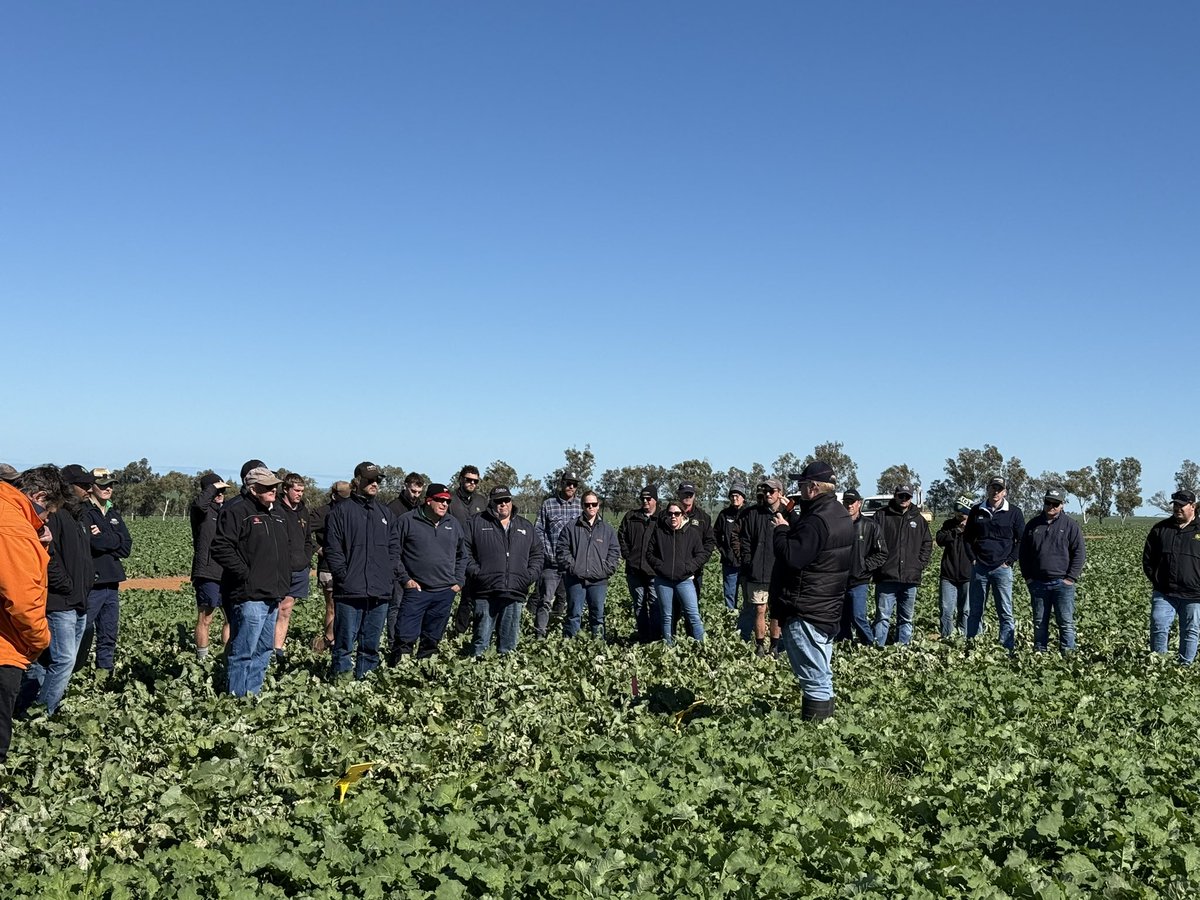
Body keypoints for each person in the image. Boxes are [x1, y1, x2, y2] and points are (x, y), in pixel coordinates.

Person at [769, 461, 854, 722]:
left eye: (803, 484)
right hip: (827, 605)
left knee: (814, 679)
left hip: (807, 607)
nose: (800, 488)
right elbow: (814, 545)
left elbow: (793, 556)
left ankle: (816, 734)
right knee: (821, 673)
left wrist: (781, 530)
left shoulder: (816, 520)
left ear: (813, 488)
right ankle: (825, 728)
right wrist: (794, 516)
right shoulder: (839, 514)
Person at [16, 465, 94, 717]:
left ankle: (25, 708)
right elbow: (47, 556)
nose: (89, 489)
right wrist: (67, 586)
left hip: (78, 601)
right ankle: (43, 714)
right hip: (61, 602)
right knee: (64, 661)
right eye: (84, 485)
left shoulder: (78, 516)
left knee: (47, 662)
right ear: (68, 487)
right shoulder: (55, 515)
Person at [209, 467, 291, 696]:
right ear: (253, 489)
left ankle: (253, 696)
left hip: (273, 594)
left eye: (274, 486)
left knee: (264, 650)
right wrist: (246, 574)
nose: (273, 490)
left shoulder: (278, 513)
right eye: (267, 487)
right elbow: (221, 547)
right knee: (243, 651)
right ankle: (237, 698)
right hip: (249, 595)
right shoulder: (237, 510)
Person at [0, 466, 61, 762]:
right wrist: (40, 641)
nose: (45, 520)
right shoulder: (13, 526)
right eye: (48, 513)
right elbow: (22, 600)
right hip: (4, 649)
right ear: (39, 497)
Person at [323, 462, 399, 679]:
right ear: (357, 481)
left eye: (377, 480)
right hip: (350, 590)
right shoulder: (340, 512)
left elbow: (394, 548)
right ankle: (342, 682)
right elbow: (333, 549)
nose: (374, 484)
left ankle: (365, 683)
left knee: (371, 645)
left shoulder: (385, 514)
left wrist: (388, 573)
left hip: (379, 590)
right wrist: (344, 576)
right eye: (369, 480)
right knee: (344, 644)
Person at [390, 484, 467, 661]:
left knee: (432, 639)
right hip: (416, 590)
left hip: (444, 592)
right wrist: (405, 579)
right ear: (428, 501)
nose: (444, 504)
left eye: (447, 501)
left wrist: (458, 582)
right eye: (440, 500)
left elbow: (463, 555)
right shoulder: (407, 521)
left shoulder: (453, 524)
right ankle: (399, 672)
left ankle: (425, 669)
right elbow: (393, 553)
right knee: (405, 637)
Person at [466, 486, 543, 657]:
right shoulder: (476, 522)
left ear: (511, 501)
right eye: (498, 501)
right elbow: (465, 551)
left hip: (514, 591)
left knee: (508, 645)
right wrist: (477, 573)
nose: (503, 504)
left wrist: (528, 576)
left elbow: (537, 554)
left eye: (506, 500)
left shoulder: (525, 526)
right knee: (480, 642)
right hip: (485, 591)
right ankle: (477, 669)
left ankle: (504, 670)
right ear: (491, 502)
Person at [75, 467, 132, 677]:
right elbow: (92, 543)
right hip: (93, 583)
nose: (108, 489)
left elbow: (126, 547)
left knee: (108, 633)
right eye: (103, 485)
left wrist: (105, 537)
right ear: (91, 487)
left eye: (110, 485)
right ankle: (73, 671)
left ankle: (104, 674)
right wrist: (114, 539)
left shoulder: (113, 513)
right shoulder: (83, 512)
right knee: (83, 630)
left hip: (112, 582)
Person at [1019, 487, 1085, 654]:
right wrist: (1028, 578)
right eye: (1048, 502)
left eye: (1055, 504)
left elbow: (1079, 553)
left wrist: (1070, 578)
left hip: (1062, 584)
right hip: (1038, 583)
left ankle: (1068, 656)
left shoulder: (1070, 525)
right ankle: (1039, 654)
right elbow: (1023, 553)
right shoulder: (1033, 525)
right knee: (1039, 623)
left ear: (1062, 505)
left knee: (1066, 622)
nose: (1051, 506)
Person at [964, 476, 1025, 649]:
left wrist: (1009, 561)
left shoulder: (1014, 512)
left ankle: (1007, 648)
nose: (995, 492)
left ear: (1004, 492)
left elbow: (1021, 540)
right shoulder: (977, 510)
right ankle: (972, 648)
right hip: (980, 568)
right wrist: (973, 559)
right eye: (993, 488)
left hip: (1002, 569)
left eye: (999, 489)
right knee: (975, 611)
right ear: (988, 489)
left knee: (1005, 612)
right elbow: (967, 538)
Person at [871, 485, 932, 647]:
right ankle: (877, 649)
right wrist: (878, 565)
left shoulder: (918, 520)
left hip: (910, 577)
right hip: (886, 576)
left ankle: (902, 650)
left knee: (906, 618)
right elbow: (871, 541)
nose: (904, 499)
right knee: (882, 617)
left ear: (911, 498)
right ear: (895, 495)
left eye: (907, 496)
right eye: (901, 496)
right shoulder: (881, 516)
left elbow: (927, 543)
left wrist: (920, 564)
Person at [1143, 489, 1200, 663]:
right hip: (1165, 592)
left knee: (1190, 630)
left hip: (1195, 594)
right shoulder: (1160, 529)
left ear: (1193, 506)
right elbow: (1148, 559)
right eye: (1175, 505)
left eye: (1181, 505)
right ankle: (1158, 664)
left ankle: (1185, 666)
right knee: (1158, 625)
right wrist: (1158, 580)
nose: (1177, 508)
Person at [737, 478, 792, 654]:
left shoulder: (787, 514)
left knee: (777, 611)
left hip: (780, 572)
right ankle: (760, 645)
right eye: (765, 491)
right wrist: (748, 562)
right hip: (757, 571)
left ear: (780, 494)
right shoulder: (753, 513)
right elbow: (745, 540)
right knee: (760, 609)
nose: (768, 494)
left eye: (772, 491)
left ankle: (774, 646)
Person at [556, 491, 620, 639]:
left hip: (599, 581)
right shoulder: (571, 527)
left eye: (594, 504)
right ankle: (571, 645)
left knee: (598, 615)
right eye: (587, 504)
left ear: (598, 506)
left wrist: (605, 570)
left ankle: (598, 645)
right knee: (574, 614)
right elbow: (562, 550)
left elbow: (614, 552)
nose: (591, 507)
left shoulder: (607, 530)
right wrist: (574, 568)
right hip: (575, 580)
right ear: (582, 506)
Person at [647, 499, 709, 645]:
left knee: (693, 615)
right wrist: (661, 567)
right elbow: (649, 554)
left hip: (685, 581)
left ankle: (702, 647)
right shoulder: (659, 533)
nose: (673, 516)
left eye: (676, 513)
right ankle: (668, 648)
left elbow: (701, 555)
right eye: (670, 514)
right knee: (667, 616)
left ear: (683, 515)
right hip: (663, 581)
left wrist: (688, 568)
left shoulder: (692, 533)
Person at [532, 471, 582, 638]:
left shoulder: (581, 506)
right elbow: (539, 529)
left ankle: (565, 634)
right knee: (545, 600)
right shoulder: (549, 504)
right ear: (562, 483)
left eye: (574, 484)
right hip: (551, 564)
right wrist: (548, 552)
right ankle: (540, 634)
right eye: (568, 483)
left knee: (570, 601)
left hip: (573, 565)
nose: (571, 487)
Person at [189, 473, 231, 658]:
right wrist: (212, 488)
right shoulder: (201, 512)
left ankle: (226, 656)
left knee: (231, 618)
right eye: (216, 491)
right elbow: (199, 504)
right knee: (206, 617)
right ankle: (202, 658)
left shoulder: (227, 511)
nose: (220, 494)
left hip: (227, 571)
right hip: (207, 571)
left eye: (222, 491)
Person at [274, 472, 314, 662]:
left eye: (301, 491)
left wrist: (306, 558)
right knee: (275, 608)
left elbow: (308, 539)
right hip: (280, 569)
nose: (299, 494)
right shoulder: (276, 510)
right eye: (296, 490)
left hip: (300, 568)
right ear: (286, 489)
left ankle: (278, 648)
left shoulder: (303, 511)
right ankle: (267, 647)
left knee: (287, 609)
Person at [839, 489, 888, 645]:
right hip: (839, 580)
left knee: (858, 616)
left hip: (859, 580)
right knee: (842, 618)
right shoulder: (837, 525)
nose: (849, 505)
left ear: (859, 504)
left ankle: (870, 644)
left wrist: (864, 566)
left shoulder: (870, 526)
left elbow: (882, 553)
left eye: (852, 502)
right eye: (846, 502)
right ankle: (845, 645)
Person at [310, 481, 351, 652]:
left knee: (345, 606)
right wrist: (318, 549)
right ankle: (329, 642)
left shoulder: (351, 511)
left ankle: (339, 641)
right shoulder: (322, 513)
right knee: (332, 606)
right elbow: (302, 531)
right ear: (334, 496)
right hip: (328, 568)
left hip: (349, 566)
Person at [617, 486, 661, 642]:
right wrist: (628, 556)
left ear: (655, 500)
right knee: (639, 604)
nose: (645, 501)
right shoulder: (631, 517)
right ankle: (643, 637)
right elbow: (621, 536)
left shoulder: (662, 518)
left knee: (655, 605)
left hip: (654, 571)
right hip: (634, 570)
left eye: (649, 499)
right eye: (643, 499)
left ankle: (655, 638)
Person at [448, 465, 486, 636]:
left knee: (469, 598)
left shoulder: (481, 501)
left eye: (475, 481)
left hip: (473, 557)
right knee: (447, 595)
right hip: (452, 556)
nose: (472, 483)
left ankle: (461, 632)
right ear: (460, 479)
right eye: (468, 480)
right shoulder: (450, 500)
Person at [934, 496, 976, 639]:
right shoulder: (949, 525)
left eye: (962, 513)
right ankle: (947, 638)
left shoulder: (976, 526)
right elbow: (940, 539)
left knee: (965, 610)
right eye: (957, 512)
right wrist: (956, 530)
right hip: (948, 574)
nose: (959, 515)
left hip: (968, 575)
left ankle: (963, 637)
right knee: (946, 609)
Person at [677, 482, 716, 599]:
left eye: (691, 494)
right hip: (672, 570)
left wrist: (698, 562)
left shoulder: (703, 518)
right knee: (672, 606)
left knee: (692, 605)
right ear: (679, 494)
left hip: (695, 570)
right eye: (685, 494)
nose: (688, 497)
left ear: (694, 496)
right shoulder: (668, 515)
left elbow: (709, 543)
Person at [714, 481, 748, 612]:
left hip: (746, 563)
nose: (734, 498)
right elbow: (715, 534)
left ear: (743, 497)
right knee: (729, 594)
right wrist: (723, 550)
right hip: (729, 562)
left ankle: (746, 620)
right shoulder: (724, 514)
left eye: (737, 495)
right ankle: (731, 619)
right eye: (732, 496)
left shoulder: (749, 513)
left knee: (748, 596)